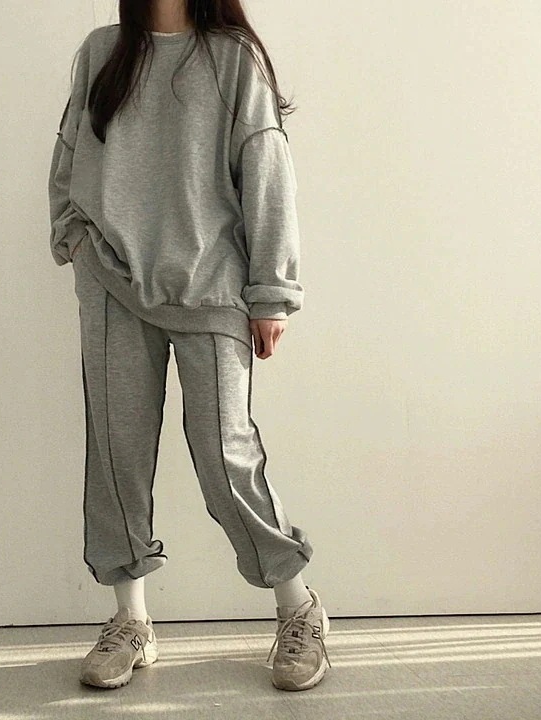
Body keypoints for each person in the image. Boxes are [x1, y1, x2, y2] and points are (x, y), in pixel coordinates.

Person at [47, 0, 331, 693]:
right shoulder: (101, 52)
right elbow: (68, 153)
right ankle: (131, 620)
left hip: (212, 288)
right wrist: (73, 235)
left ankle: (298, 606)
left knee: (224, 455)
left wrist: (271, 292)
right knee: (116, 453)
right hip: (112, 283)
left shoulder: (234, 58)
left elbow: (267, 171)